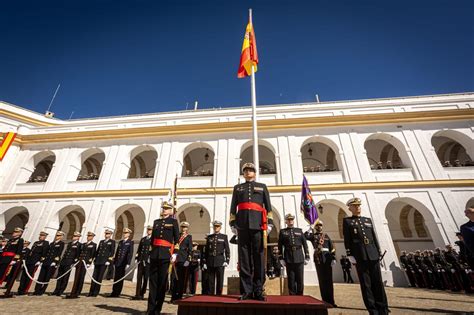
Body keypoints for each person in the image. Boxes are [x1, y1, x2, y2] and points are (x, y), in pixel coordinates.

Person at [229, 162, 273, 301]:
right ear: (243, 173)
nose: (248, 172)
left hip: (258, 225)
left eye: (251, 170)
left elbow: (269, 207)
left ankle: (258, 290)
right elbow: (233, 208)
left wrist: (270, 223)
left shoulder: (262, 187)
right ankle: (247, 290)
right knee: (244, 259)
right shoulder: (237, 188)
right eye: (246, 170)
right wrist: (232, 224)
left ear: (255, 173)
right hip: (242, 226)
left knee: (259, 258)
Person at [343, 197, 389, 315]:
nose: (358, 208)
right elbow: (347, 240)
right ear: (350, 208)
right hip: (360, 255)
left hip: (372, 254)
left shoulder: (367, 220)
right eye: (355, 206)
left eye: (359, 205)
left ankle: (383, 307)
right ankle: (372, 309)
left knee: (378, 282)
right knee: (366, 284)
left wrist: (378, 252)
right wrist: (350, 254)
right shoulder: (347, 221)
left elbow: (374, 237)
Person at [147, 201, 179, 315]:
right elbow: (152, 241)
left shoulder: (173, 222)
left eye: (166, 208)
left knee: (162, 283)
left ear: (170, 210)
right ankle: (150, 309)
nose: (164, 210)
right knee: (152, 283)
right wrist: (149, 254)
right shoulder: (156, 222)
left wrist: (175, 253)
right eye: (163, 208)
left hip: (165, 255)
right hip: (155, 254)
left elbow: (177, 239)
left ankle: (157, 309)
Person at [305, 219, 337, 306]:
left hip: (327, 258)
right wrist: (310, 228)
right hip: (318, 258)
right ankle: (325, 301)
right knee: (322, 280)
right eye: (317, 226)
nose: (319, 227)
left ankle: (331, 301)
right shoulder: (313, 236)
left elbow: (332, 248)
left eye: (320, 226)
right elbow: (305, 236)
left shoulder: (326, 236)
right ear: (315, 227)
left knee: (329, 281)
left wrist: (333, 258)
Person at [278, 213, 309, 296]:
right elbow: (280, 246)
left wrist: (307, 256)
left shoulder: (299, 231)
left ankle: (300, 296)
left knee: (300, 279)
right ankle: (292, 297)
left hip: (299, 257)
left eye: (292, 219)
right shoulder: (282, 232)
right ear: (286, 221)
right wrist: (281, 258)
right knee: (291, 280)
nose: (290, 221)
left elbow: (305, 244)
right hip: (288, 257)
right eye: (288, 220)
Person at [203, 220, 230, 296]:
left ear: (220, 227)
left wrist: (227, 260)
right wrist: (205, 262)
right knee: (211, 280)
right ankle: (211, 294)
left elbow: (227, 249)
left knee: (220, 279)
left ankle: (219, 294)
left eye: (218, 226)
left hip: (220, 260)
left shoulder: (224, 237)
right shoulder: (209, 237)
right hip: (211, 260)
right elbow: (206, 250)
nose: (216, 228)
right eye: (215, 226)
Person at [67, 231, 97, 299]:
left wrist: (89, 262)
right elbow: (79, 253)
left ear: (92, 237)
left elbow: (92, 254)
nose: (88, 237)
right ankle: (74, 290)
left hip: (85, 263)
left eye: (90, 236)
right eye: (88, 236)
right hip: (79, 262)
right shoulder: (83, 244)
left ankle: (78, 291)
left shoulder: (94, 244)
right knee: (76, 277)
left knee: (81, 277)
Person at [34, 231, 65, 296]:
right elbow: (46, 252)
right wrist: (42, 260)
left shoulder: (61, 243)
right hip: (46, 261)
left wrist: (55, 262)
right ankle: (36, 290)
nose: (57, 237)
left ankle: (42, 291)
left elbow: (59, 253)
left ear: (62, 237)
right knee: (41, 276)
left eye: (59, 236)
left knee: (47, 277)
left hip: (52, 263)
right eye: (57, 235)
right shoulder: (51, 243)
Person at [52, 231, 82, 296]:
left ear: (78, 237)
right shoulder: (70, 243)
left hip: (69, 262)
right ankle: (56, 290)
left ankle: (61, 290)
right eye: (74, 236)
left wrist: (74, 262)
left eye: (76, 236)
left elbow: (77, 254)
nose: (74, 237)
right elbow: (66, 252)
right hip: (63, 261)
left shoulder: (79, 245)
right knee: (59, 276)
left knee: (65, 277)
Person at [88, 229, 115, 297]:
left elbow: (112, 252)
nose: (106, 235)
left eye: (108, 234)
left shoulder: (112, 242)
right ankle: (91, 291)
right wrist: (94, 259)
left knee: (99, 277)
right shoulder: (101, 241)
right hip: (98, 260)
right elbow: (98, 251)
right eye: (106, 233)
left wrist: (109, 260)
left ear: (110, 234)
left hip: (104, 261)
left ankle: (96, 292)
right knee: (94, 277)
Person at [108, 228, 134, 297]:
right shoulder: (121, 242)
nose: (124, 234)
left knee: (120, 278)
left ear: (129, 234)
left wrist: (128, 263)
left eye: (126, 233)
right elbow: (117, 252)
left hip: (123, 262)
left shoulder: (130, 242)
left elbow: (130, 253)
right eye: (124, 233)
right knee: (116, 277)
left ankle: (118, 292)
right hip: (118, 262)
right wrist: (114, 261)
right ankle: (114, 292)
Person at [171, 221, 192, 301]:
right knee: (174, 278)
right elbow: (174, 245)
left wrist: (188, 260)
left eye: (185, 227)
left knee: (181, 279)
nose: (184, 229)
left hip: (183, 259)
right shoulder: (178, 236)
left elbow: (190, 250)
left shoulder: (188, 237)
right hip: (176, 258)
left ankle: (179, 296)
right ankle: (173, 297)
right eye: (182, 227)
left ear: (187, 228)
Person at [133, 225, 152, 300]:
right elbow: (139, 249)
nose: (148, 231)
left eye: (150, 230)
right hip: (141, 260)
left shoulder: (153, 240)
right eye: (148, 230)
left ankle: (142, 293)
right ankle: (137, 294)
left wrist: (150, 259)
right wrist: (137, 257)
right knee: (139, 277)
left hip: (147, 262)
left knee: (146, 278)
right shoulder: (143, 239)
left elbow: (152, 250)